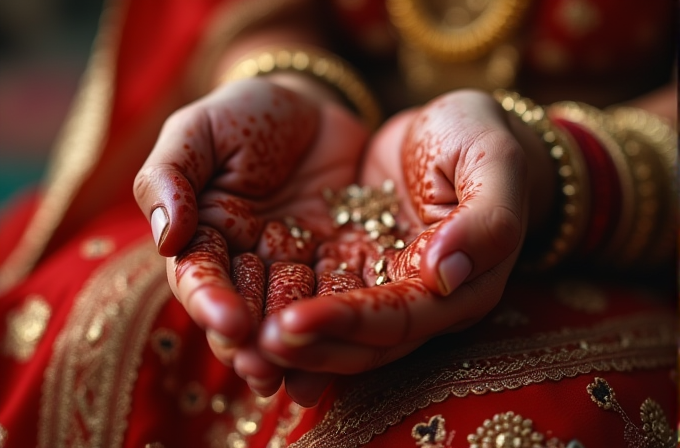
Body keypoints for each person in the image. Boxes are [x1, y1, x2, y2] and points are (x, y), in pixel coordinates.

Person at [0, 0, 676, 447]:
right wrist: (287, 77)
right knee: (94, 324)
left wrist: (556, 170)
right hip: (296, 174)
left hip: (622, 214)